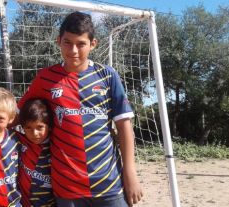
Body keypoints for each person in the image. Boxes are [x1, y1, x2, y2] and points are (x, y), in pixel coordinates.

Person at [17, 11, 143, 206]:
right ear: (58, 41)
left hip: (109, 182)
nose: (73, 50)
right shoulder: (45, 78)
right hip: (66, 186)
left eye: (81, 44)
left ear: (93, 44)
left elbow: (124, 126)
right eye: (67, 42)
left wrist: (130, 172)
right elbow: (18, 114)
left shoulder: (108, 76)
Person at [17, 98, 56, 207]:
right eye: (28, 127)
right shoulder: (19, 140)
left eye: (39, 127)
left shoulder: (56, 147)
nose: (34, 133)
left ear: (49, 126)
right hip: (23, 203)